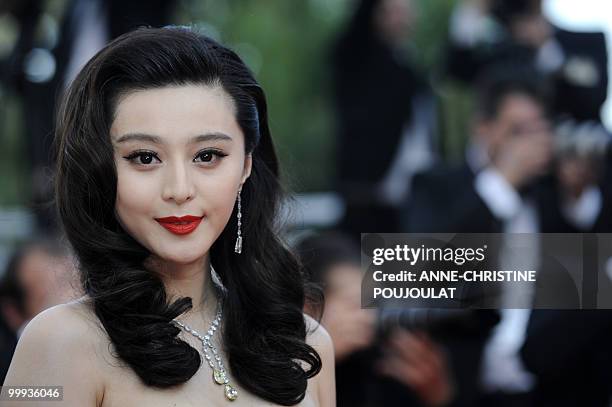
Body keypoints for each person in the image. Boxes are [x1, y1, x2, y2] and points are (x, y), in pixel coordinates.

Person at [3, 26, 335, 406]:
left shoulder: (306, 343)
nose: (179, 189)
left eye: (207, 155)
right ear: (100, 171)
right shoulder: (59, 340)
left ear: (245, 166)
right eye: (145, 157)